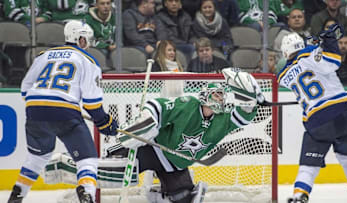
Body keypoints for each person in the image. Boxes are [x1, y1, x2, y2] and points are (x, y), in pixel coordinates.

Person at [106, 68, 264, 203]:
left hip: (175, 166)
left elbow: (244, 115)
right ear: (205, 96)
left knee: (184, 198)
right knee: (110, 169)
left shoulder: (223, 120)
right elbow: (159, 106)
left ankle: (157, 196)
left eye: (221, 96)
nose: (220, 99)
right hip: (154, 149)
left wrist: (249, 98)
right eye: (216, 95)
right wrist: (146, 119)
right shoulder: (188, 105)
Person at [7, 20, 119, 203]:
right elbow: (92, 104)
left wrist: (41, 106)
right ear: (81, 39)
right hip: (65, 113)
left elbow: (26, 88)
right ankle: (86, 194)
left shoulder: (43, 55)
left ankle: (17, 194)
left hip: (34, 110)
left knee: (38, 157)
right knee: (87, 159)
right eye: (87, 39)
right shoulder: (88, 61)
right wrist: (105, 122)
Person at [278, 24, 347, 203]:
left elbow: (301, 65)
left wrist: (316, 45)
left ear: (285, 53)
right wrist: (328, 41)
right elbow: (333, 62)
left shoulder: (282, 75)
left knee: (309, 164)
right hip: (342, 112)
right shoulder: (310, 52)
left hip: (317, 121)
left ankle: (300, 195)